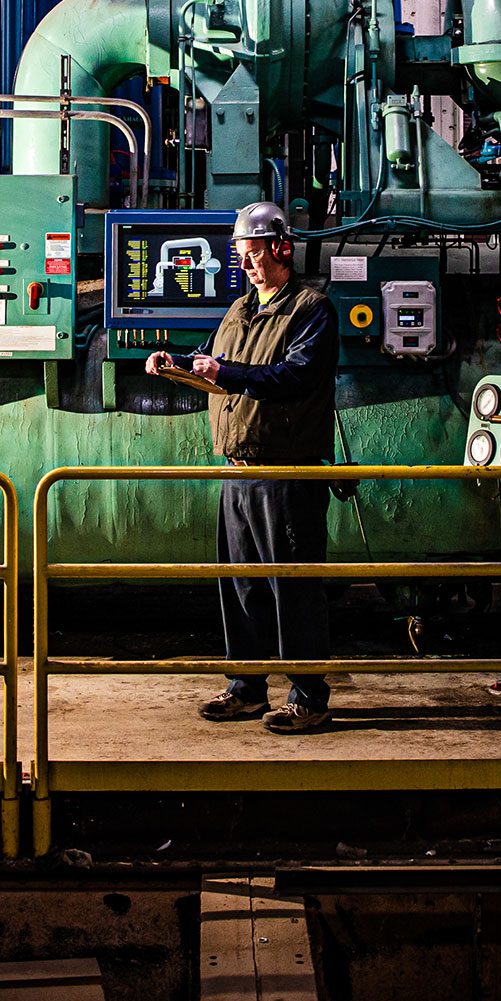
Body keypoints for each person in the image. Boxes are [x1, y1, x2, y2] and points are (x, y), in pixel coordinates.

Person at [147, 200, 339, 733]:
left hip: (287, 473)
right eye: (243, 256)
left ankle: (308, 696)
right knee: (242, 584)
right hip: (237, 471)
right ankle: (248, 688)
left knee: (293, 586)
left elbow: (293, 376)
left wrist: (226, 372)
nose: (248, 265)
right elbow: (212, 357)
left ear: (281, 249)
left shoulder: (311, 309)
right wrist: (177, 364)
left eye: (255, 254)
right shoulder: (239, 310)